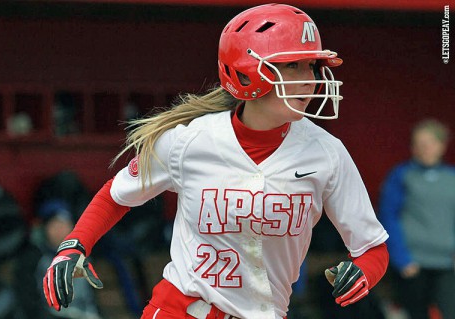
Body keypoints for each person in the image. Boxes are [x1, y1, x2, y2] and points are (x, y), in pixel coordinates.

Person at [42, 4, 389, 319]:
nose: (310, 79)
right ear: (247, 72)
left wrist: (363, 272)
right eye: (292, 65)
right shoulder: (189, 140)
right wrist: (74, 246)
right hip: (180, 310)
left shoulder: (327, 153)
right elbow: (116, 195)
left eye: (311, 66)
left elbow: (371, 247)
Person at [379, 119, 455, 319]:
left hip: (447, 263)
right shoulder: (401, 175)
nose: (423, 149)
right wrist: (402, 258)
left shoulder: (451, 177)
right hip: (413, 264)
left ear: (441, 145)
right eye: (418, 144)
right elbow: (388, 218)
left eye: (428, 143)